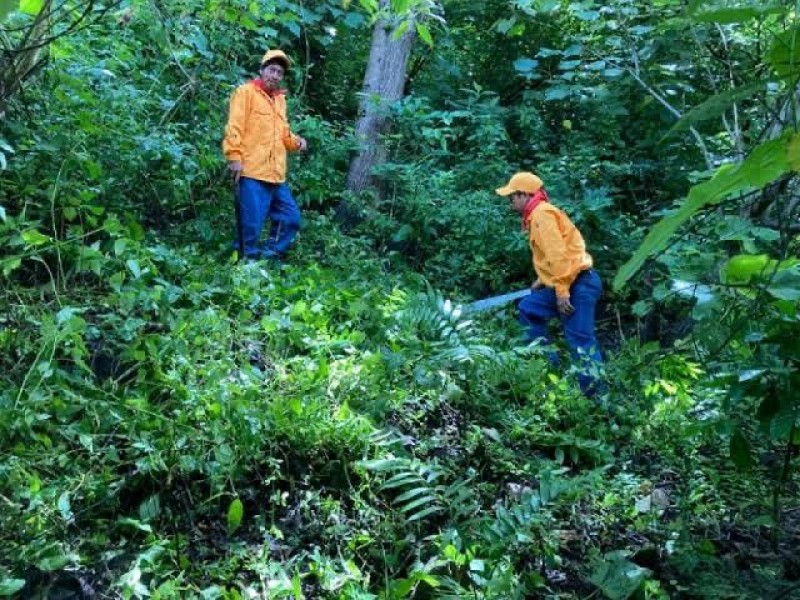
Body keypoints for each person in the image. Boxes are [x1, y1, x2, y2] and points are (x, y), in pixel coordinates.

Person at [495, 172, 604, 397]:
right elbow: (552, 257)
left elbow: (559, 256)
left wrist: (562, 292)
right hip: (565, 281)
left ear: (525, 195)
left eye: (512, 197)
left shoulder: (541, 215)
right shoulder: (537, 215)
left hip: (577, 284)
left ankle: (597, 399)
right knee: (528, 309)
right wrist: (542, 281)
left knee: (581, 341)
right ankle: (549, 368)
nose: (510, 202)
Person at [223, 49, 308, 261]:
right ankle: (243, 266)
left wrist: (296, 142)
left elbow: (283, 133)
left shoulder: (280, 100)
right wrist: (234, 157)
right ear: (261, 70)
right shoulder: (245, 93)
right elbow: (235, 127)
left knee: (290, 218)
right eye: (272, 70)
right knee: (250, 225)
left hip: (276, 174)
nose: (275, 76)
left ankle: (270, 256)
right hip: (252, 172)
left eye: (279, 72)